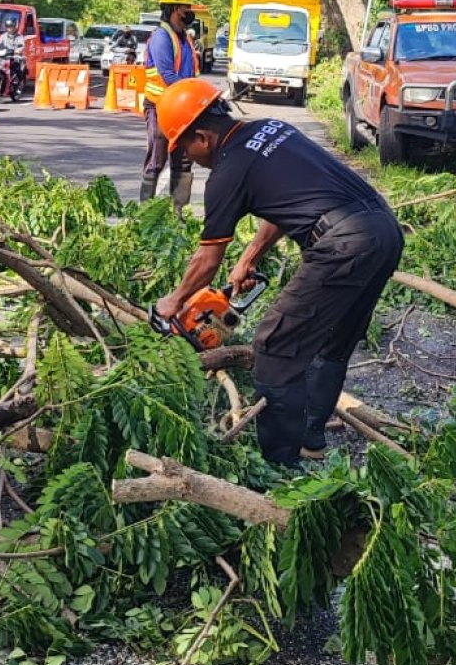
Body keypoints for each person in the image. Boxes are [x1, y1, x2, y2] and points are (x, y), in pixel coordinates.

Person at [154, 80, 404, 467]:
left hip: (343, 245)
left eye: (184, 148)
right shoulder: (270, 129)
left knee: (274, 346)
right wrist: (250, 256)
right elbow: (285, 199)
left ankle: (279, 463)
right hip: (383, 229)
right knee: (332, 340)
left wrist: (172, 302)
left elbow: (206, 260)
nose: (188, 158)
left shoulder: (226, 172)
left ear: (201, 137)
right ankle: (310, 439)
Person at [140, 0, 197, 210]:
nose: (189, 12)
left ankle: (178, 215)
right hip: (159, 106)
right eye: (186, 7)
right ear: (175, 9)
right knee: (157, 159)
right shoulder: (162, 38)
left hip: (182, 109)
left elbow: (190, 74)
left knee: (183, 161)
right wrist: (192, 93)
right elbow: (167, 76)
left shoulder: (184, 38)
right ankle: (144, 213)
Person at [0, 17, 26, 95]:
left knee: (17, 69)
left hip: (14, 57)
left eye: (11, 27)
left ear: (15, 27)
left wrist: (19, 50)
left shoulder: (19, 37)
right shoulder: (4, 36)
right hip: (5, 56)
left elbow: (22, 45)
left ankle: (19, 85)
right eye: (8, 27)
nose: (9, 29)